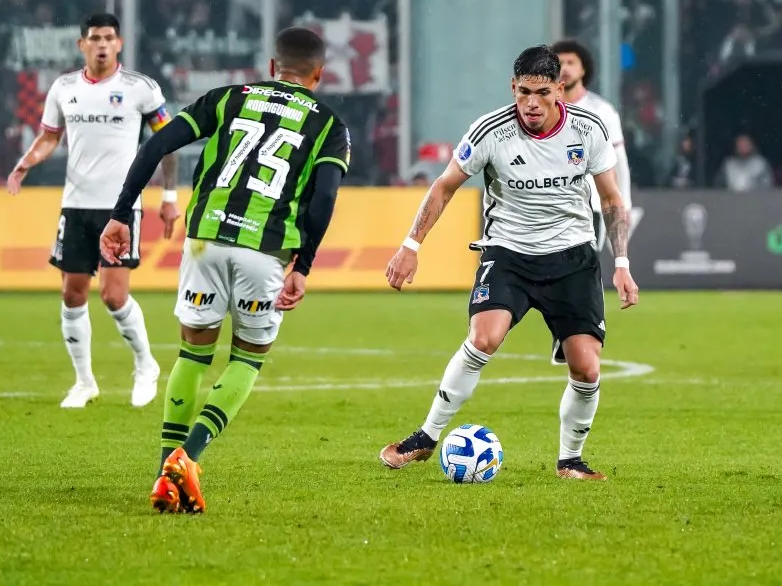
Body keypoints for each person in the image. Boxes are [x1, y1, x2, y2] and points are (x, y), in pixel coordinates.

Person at [99, 27, 351, 514]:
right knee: (247, 359)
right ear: (318, 75)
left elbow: (155, 147)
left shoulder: (227, 98)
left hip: (204, 241)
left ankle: (162, 472)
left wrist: (120, 212)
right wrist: (306, 264)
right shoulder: (328, 123)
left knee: (192, 357)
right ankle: (186, 460)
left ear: (272, 66)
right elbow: (324, 197)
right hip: (267, 248)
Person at [379, 45, 638, 481]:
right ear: (512, 88)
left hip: (572, 258)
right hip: (508, 254)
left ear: (559, 89)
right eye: (522, 92)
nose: (531, 104)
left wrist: (623, 262)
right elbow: (443, 187)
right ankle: (425, 436)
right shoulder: (490, 132)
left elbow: (611, 200)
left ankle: (570, 459)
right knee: (483, 338)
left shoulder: (589, 129)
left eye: (540, 92)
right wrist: (411, 245)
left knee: (586, 367)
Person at [7, 13, 178, 410]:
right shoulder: (64, 87)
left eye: (109, 38)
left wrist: (169, 198)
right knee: (72, 294)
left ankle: (145, 364)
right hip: (76, 205)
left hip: (120, 207)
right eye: (95, 38)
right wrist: (25, 163)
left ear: (119, 44)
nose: (102, 44)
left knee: (114, 297)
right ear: (82, 45)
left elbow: (167, 142)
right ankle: (84, 382)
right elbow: (49, 138)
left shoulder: (140, 89)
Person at [550, 39, 631, 366]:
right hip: (551, 203)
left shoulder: (602, 112)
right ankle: (566, 330)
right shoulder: (543, 108)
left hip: (592, 206)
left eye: (571, 61)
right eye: (559, 62)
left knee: (583, 268)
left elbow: (619, 163)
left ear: (583, 69)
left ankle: (582, 330)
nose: (565, 67)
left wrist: (623, 206)